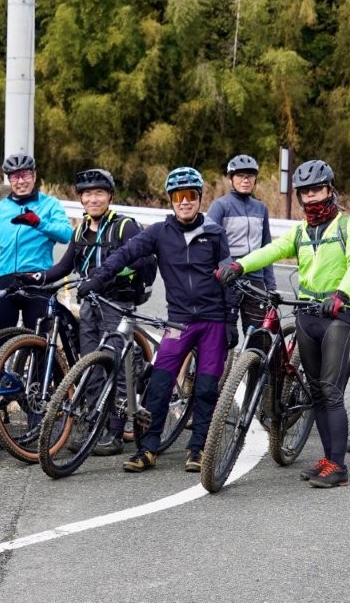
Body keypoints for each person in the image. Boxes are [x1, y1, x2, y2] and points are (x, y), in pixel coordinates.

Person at [219, 159, 350, 488]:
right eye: (305, 192)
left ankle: (339, 467)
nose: (311, 197)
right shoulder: (300, 231)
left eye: (316, 190)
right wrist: (240, 266)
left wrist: (342, 294)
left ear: (329, 189)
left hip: (336, 315)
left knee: (330, 391)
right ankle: (328, 459)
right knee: (315, 391)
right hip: (306, 313)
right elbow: (272, 250)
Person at [79, 166, 237, 473]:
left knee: (206, 388)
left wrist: (231, 318)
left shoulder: (215, 234)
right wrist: (97, 278)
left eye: (190, 195)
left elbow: (228, 275)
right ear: (171, 200)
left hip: (213, 322)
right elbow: (124, 254)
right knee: (159, 385)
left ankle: (197, 449)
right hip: (179, 322)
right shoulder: (159, 232)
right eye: (178, 196)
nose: (184, 202)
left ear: (199, 198)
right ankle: (148, 449)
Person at [16, 168, 152, 456]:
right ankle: (95, 423)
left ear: (110, 196)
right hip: (90, 304)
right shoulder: (81, 230)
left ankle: (116, 430)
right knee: (91, 365)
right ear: (80, 199)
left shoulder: (124, 227)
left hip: (117, 304)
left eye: (99, 193)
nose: (93, 199)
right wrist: (35, 277)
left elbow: (143, 261)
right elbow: (64, 267)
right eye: (87, 194)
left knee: (118, 364)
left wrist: (108, 275)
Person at [0, 154, 73, 333]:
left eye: (25, 175)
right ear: (9, 180)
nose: (20, 181)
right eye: (15, 176)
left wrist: (39, 223)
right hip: (6, 279)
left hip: (38, 278)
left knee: (38, 340)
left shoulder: (50, 205)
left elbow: (66, 234)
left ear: (34, 176)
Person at [206, 154, 278, 344]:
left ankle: (251, 363)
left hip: (256, 280)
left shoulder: (261, 208)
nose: (246, 180)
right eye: (240, 176)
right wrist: (221, 270)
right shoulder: (220, 206)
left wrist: (271, 286)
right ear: (231, 178)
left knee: (258, 338)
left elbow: (267, 248)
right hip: (229, 278)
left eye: (250, 176)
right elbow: (208, 243)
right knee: (225, 336)